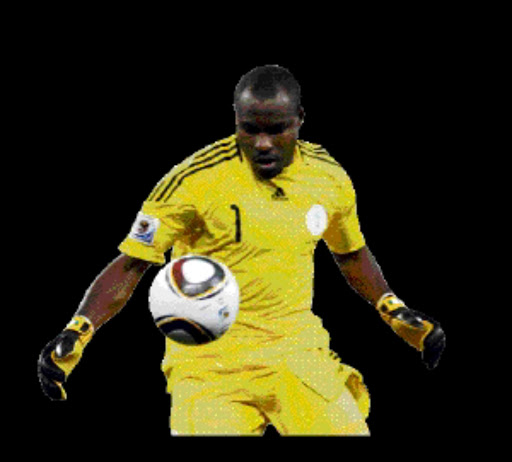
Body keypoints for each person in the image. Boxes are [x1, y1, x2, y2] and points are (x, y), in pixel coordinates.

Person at [38, 65, 446, 436]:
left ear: (300, 120)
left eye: (277, 129)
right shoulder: (192, 181)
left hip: (296, 350)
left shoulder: (329, 177)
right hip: (208, 363)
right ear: (236, 119)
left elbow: (350, 253)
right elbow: (131, 264)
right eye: (250, 129)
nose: (263, 143)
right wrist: (79, 329)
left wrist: (391, 307)